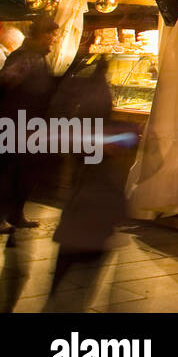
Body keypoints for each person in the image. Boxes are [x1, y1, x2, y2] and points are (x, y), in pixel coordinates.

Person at [43, 56, 135, 311]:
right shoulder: (94, 126)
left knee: (69, 281)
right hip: (91, 213)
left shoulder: (87, 118)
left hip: (91, 213)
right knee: (73, 281)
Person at [0, 17, 56, 233]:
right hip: (16, 122)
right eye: (49, 33)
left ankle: (16, 214)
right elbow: (6, 82)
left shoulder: (39, 57)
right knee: (8, 171)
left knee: (26, 172)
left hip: (32, 123)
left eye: (54, 34)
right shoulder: (25, 58)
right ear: (37, 35)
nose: (53, 38)